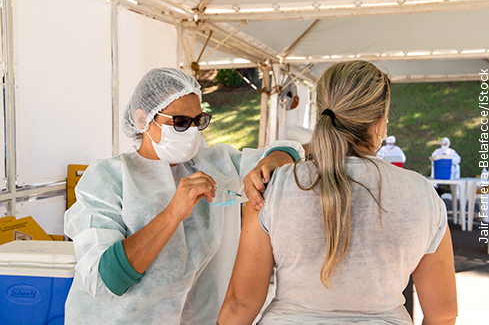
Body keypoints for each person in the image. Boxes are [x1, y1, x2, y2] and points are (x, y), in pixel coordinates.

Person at [218, 61, 457, 324]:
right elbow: (442, 314)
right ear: (380, 125)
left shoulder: (275, 187)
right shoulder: (422, 195)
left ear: (320, 115)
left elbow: (240, 304)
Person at [64, 68, 303, 325]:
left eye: (198, 121)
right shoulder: (108, 178)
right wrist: (173, 213)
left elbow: (287, 152)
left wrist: (268, 166)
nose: (191, 132)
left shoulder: (208, 165)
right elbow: (106, 279)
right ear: (144, 120)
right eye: (179, 122)